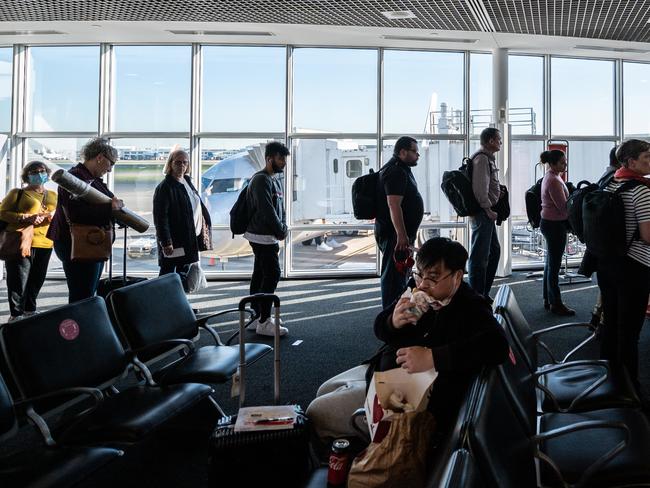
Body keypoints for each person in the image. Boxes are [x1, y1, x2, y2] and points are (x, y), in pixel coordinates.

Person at [306, 237, 509, 445]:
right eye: (419, 274)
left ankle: (361, 452)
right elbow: (380, 328)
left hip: (406, 395)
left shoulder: (470, 306)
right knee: (324, 390)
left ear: (457, 276)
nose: (423, 285)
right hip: (384, 370)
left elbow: (498, 346)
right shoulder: (417, 288)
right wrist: (392, 322)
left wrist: (433, 357)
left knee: (316, 413)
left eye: (432, 278)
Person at [596, 139, 650, 394]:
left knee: (612, 322)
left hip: (607, 264)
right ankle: (630, 389)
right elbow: (648, 235)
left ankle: (607, 379)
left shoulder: (609, 183)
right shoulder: (641, 190)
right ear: (630, 162)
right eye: (647, 157)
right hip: (635, 267)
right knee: (629, 331)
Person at [47, 138, 124, 303]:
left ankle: (84, 325)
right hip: (76, 243)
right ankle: (81, 327)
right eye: (111, 163)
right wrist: (111, 209)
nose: (110, 169)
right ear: (100, 157)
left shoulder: (88, 178)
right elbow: (76, 213)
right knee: (82, 295)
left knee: (87, 292)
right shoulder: (74, 178)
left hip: (86, 243)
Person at [0, 161, 57, 321]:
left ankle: (30, 310)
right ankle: (16, 314)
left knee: (37, 280)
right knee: (18, 280)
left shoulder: (53, 195)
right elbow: (2, 213)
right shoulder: (17, 193)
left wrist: (53, 217)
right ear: (27, 175)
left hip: (45, 243)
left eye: (42, 171)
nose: (39, 174)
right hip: (21, 242)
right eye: (34, 172)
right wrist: (25, 217)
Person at [244, 142, 290, 337]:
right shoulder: (261, 180)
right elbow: (266, 210)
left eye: (285, 159)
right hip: (262, 236)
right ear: (269, 158)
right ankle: (264, 321)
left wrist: (283, 227)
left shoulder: (274, 179)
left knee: (260, 274)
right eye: (281, 159)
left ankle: (256, 316)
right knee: (272, 274)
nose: (284, 163)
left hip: (267, 234)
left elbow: (279, 208)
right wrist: (280, 230)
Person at [374, 136, 424, 309]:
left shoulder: (401, 169)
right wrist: (401, 236)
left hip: (399, 234)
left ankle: (398, 312)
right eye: (415, 152)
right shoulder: (395, 171)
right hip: (394, 234)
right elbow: (393, 204)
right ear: (403, 152)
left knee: (400, 275)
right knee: (393, 277)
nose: (418, 155)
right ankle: (391, 317)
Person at [153, 149, 212, 292]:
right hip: (175, 241)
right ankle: (164, 308)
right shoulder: (165, 187)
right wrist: (166, 242)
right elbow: (161, 218)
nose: (182, 166)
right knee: (168, 277)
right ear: (170, 164)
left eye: (185, 162)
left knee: (182, 275)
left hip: (188, 239)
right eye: (178, 162)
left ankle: (179, 308)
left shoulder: (186, 181)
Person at [468, 127, 502, 302]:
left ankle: (483, 292)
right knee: (479, 257)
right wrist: (488, 209)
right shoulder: (481, 159)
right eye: (499, 139)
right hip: (483, 213)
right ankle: (476, 297)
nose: (501, 143)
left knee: (494, 251)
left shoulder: (487, 159)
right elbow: (480, 189)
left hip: (485, 212)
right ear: (490, 141)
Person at [539, 149, 575, 316]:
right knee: (554, 266)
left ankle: (549, 299)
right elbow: (563, 207)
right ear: (553, 164)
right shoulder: (553, 180)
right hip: (554, 225)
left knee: (550, 264)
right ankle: (556, 303)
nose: (565, 164)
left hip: (549, 223)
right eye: (562, 162)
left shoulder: (551, 176)